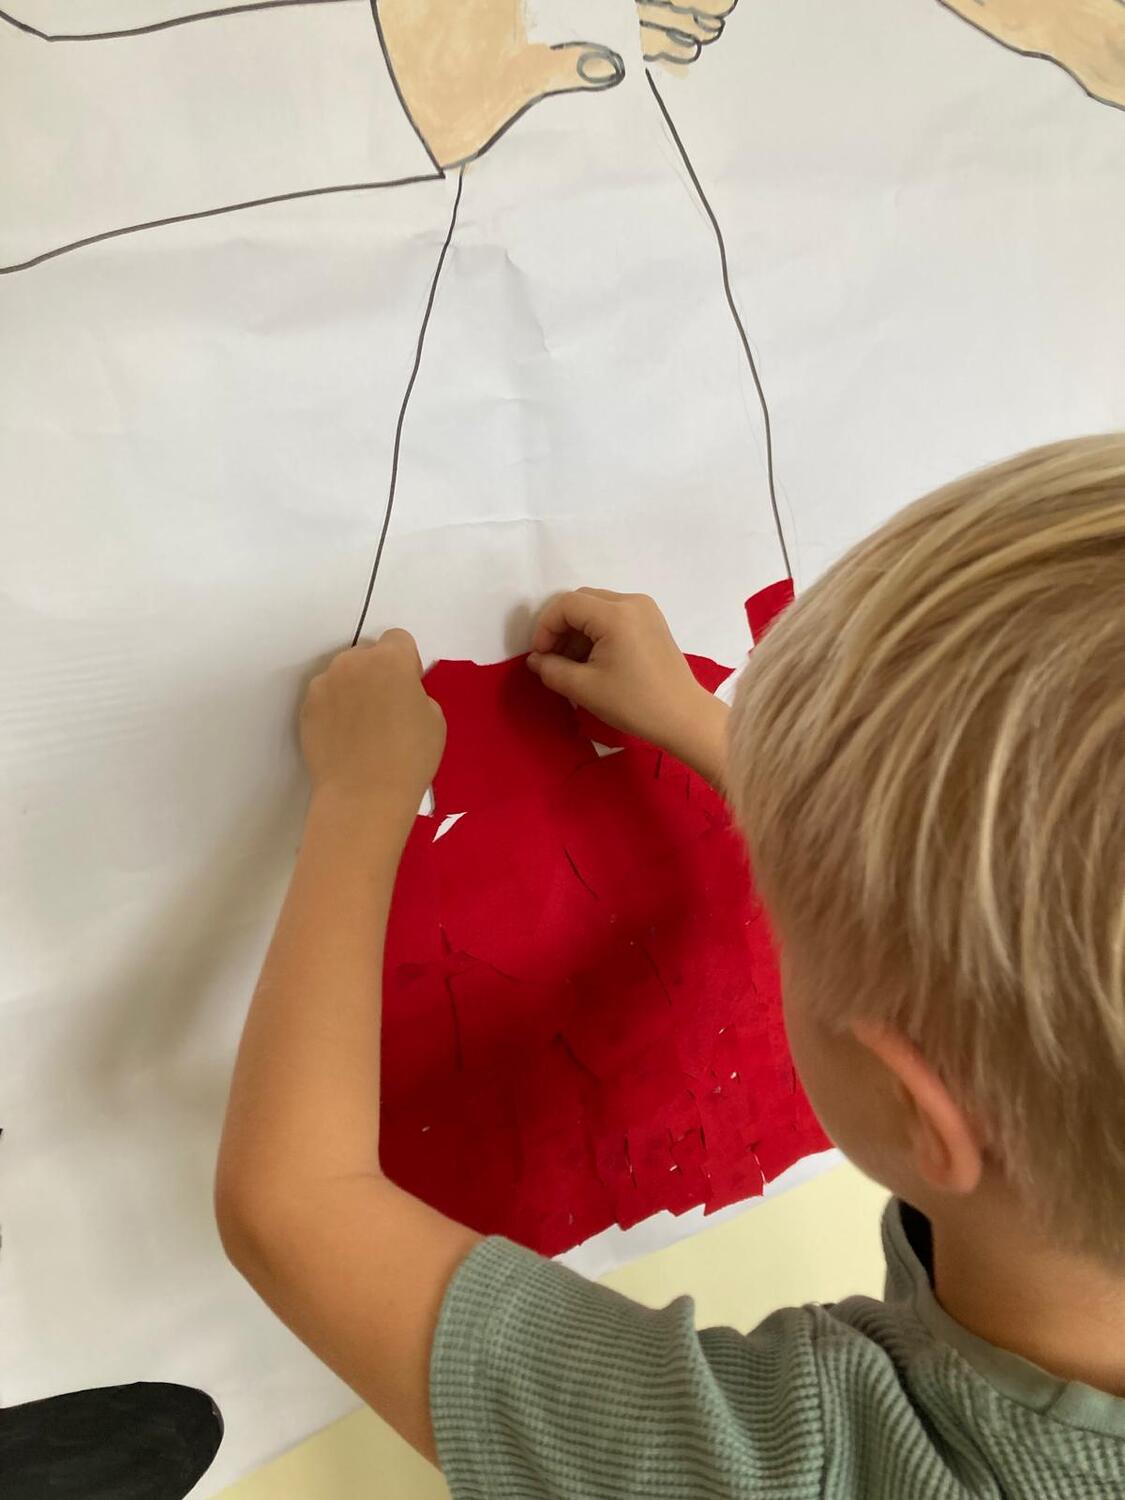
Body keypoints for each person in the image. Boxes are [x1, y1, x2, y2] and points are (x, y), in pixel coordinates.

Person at [217, 433, 1125, 1496]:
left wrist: (362, 792)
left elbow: (292, 1204)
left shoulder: (782, 1468)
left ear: (916, 1102)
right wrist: (709, 725)